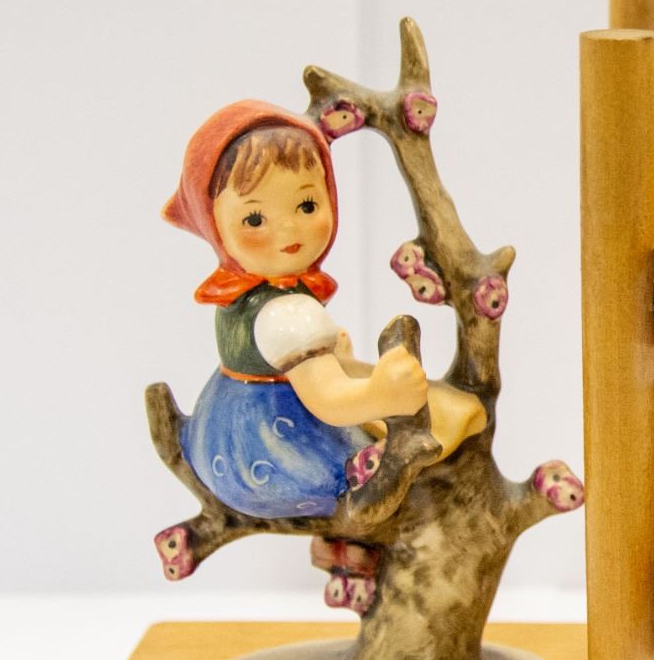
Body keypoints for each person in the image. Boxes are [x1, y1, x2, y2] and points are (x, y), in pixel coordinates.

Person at [163, 101, 480, 520]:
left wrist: (332, 358)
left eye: (307, 206)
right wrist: (381, 394)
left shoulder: (248, 296)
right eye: (255, 219)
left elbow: (278, 363)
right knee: (436, 422)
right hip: (274, 455)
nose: (289, 230)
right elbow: (328, 402)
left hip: (219, 441)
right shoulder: (288, 312)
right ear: (214, 225)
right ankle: (362, 479)